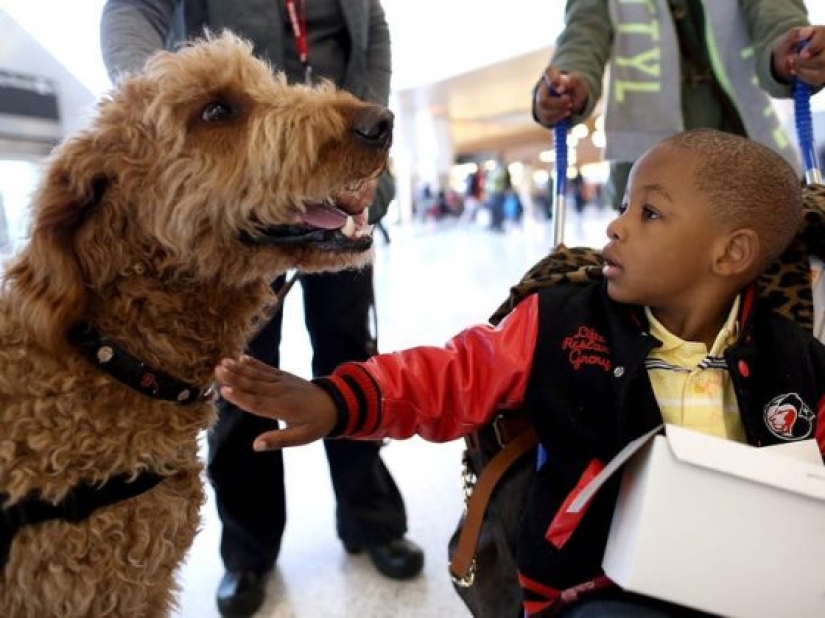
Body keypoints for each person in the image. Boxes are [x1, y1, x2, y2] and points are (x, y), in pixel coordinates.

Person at [214, 129, 825, 616]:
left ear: (731, 253)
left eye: (650, 213)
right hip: (596, 584)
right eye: (622, 207)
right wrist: (338, 402)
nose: (616, 225)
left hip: (749, 582)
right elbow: (449, 375)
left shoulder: (794, 358)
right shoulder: (563, 322)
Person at [99, 2, 424, 617]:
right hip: (236, 195)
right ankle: (248, 552)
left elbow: (373, 29)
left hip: (336, 187)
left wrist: (357, 134)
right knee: (235, 382)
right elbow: (131, 10)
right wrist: (157, 104)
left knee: (354, 356)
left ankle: (372, 520)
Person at [533, 0, 825, 209]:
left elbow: (776, 15)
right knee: (658, 289)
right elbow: (583, 36)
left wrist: (794, 50)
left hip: (753, 166)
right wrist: (569, 83)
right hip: (649, 185)